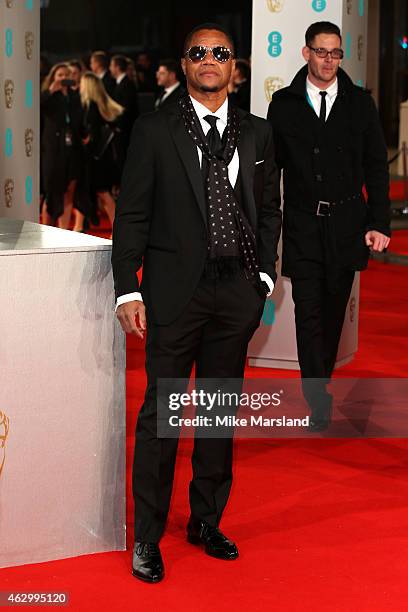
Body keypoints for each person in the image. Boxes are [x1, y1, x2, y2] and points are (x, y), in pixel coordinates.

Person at [112, 22, 281, 583]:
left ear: (235, 66)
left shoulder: (257, 134)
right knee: (161, 415)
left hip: (235, 293)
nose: (210, 60)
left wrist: (261, 276)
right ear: (185, 65)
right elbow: (132, 214)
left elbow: (269, 211)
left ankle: (206, 520)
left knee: (216, 411)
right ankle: (147, 537)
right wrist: (128, 288)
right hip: (173, 292)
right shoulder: (156, 130)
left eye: (221, 52)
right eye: (199, 52)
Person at [267, 21, 391, 431]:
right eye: (321, 52)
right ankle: (316, 395)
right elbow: (271, 170)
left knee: (334, 311)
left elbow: (376, 167)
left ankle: (322, 381)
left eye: (336, 53)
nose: (329, 60)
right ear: (306, 53)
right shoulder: (283, 104)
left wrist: (380, 222)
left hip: (346, 224)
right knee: (308, 312)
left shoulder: (359, 104)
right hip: (302, 223)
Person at [40, 62, 84, 229]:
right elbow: (36, 105)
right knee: (52, 193)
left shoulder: (74, 97)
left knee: (69, 192)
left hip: (72, 150)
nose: (64, 78)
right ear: (53, 77)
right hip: (53, 150)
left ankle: (64, 231)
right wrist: (51, 90)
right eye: (60, 75)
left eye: (67, 75)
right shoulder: (49, 96)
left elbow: (79, 120)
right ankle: (46, 230)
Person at [80, 72, 124, 234]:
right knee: (104, 195)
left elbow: (92, 137)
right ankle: (116, 230)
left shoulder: (91, 107)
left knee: (103, 194)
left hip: (96, 159)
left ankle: (116, 230)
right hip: (105, 158)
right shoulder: (104, 106)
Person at [110, 54, 139, 179]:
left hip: (125, 129)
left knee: (124, 158)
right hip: (120, 129)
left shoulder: (126, 84)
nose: (110, 69)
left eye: (111, 66)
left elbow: (126, 108)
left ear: (116, 67)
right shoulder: (120, 83)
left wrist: (119, 126)